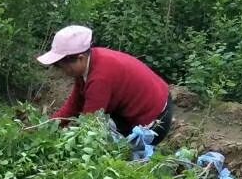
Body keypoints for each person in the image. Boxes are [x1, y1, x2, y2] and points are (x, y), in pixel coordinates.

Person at [38, 25, 173, 143]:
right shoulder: (88, 65)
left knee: (106, 143)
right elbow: (74, 105)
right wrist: (46, 127)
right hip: (139, 108)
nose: (62, 70)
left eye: (63, 65)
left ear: (80, 58)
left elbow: (90, 124)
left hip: (155, 120)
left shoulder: (100, 78)